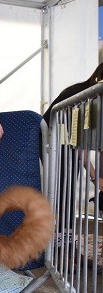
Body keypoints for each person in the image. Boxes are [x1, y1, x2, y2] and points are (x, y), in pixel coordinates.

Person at [43, 62, 103, 237]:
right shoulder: (82, 98)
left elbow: (92, 139)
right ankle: (61, 239)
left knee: (67, 189)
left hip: (66, 142)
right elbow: (79, 144)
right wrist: (95, 177)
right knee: (63, 189)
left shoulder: (92, 98)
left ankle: (66, 237)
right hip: (54, 141)